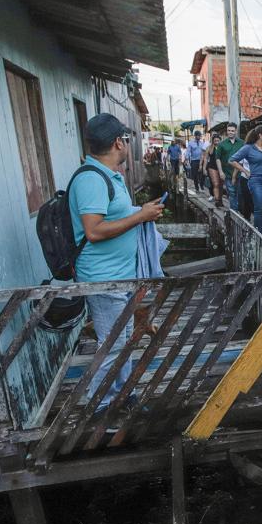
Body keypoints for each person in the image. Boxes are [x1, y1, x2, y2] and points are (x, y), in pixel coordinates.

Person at [69, 113, 164, 412]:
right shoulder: (90, 180)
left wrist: (141, 211)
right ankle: (100, 408)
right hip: (103, 278)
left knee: (121, 341)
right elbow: (94, 231)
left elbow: (113, 215)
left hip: (121, 275)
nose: (126, 144)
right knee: (111, 346)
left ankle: (122, 395)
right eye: (125, 139)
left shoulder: (109, 175)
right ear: (117, 143)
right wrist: (140, 216)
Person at [229, 125, 262, 237]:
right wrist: (245, 171)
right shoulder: (248, 148)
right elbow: (232, 160)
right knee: (259, 207)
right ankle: (260, 234)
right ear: (260, 135)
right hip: (256, 180)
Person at [216, 122, 244, 211]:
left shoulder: (242, 143)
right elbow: (218, 159)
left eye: (232, 131)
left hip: (241, 173)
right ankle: (234, 214)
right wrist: (220, 172)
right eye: (228, 130)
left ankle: (240, 212)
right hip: (227, 173)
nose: (230, 132)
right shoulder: (221, 144)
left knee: (240, 194)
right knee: (232, 193)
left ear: (236, 131)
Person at [204, 133, 223, 206]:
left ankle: (220, 200)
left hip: (221, 167)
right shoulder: (209, 148)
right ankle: (217, 200)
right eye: (215, 141)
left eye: (218, 141)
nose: (217, 142)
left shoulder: (222, 147)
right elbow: (205, 158)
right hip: (212, 167)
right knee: (216, 184)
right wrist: (204, 168)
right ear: (212, 141)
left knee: (221, 185)